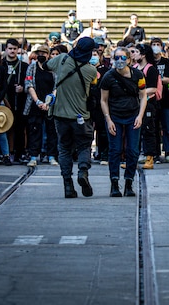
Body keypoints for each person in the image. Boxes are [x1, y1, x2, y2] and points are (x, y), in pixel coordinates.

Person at [44, 37, 99, 198]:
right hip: (81, 116)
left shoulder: (61, 59)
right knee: (83, 146)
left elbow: (46, 66)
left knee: (64, 149)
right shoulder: (91, 71)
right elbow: (93, 88)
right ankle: (82, 171)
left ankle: (68, 185)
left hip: (60, 115)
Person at [100, 46, 147, 197]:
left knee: (132, 150)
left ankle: (129, 182)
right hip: (115, 116)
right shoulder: (108, 76)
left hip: (133, 115)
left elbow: (143, 96)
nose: (120, 61)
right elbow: (103, 100)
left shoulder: (138, 75)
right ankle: (114, 183)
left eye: (123, 58)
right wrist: (108, 119)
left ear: (129, 59)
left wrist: (140, 116)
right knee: (115, 150)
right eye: (117, 58)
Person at [23, 44, 55, 167]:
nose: (41, 55)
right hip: (35, 104)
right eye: (39, 53)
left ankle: (51, 155)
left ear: (48, 55)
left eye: (44, 53)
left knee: (51, 130)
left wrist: (49, 101)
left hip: (50, 104)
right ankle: (33, 156)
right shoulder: (32, 67)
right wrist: (38, 101)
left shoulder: (53, 68)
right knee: (34, 130)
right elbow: (29, 84)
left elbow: (57, 85)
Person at [2, 38, 28, 162]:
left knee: (20, 127)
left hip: (19, 100)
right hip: (4, 100)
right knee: (5, 127)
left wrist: (22, 88)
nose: (12, 51)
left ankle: (21, 152)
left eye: (14, 49)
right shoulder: (0, 64)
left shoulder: (24, 66)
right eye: (10, 48)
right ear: (6, 49)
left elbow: (28, 82)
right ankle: (6, 152)